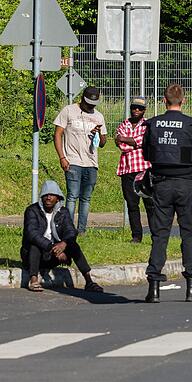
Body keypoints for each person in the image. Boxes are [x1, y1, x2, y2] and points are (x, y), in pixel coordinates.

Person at [142, 84, 192, 303]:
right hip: (185, 185)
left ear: (164, 100)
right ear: (184, 100)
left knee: (159, 234)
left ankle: (153, 288)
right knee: (190, 233)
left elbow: (146, 153)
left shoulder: (152, 125)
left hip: (160, 184)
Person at [21, 180, 102, 292]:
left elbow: (71, 231)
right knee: (35, 244)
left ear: (58, 198)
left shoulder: (63, 212)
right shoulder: (32, 210)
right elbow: (32, 233)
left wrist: (64, 244)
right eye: (46, 195)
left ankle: (89, 281)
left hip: (54, 255)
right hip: (33, 256)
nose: (48, 198)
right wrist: (52, 248)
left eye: (52, 195)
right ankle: (33, 280)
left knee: (74, 245)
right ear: (41, 197)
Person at [53, 86, 108, 234]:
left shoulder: (99, 116)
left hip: (91, 163)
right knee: (72, 196)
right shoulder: (69, 111)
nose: (91, 106)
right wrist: (62, 157)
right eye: (89, 103)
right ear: (83, 98)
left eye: (94, 104)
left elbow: (103, 143)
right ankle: (69, 230)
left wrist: (98, 133)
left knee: (86, 198)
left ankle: (82, 230)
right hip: (73, 161)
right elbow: (57, 134)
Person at [115, 96, 154, 243]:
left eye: (140, 108)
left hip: (144, 169)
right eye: (134, 107)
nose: (136, 110)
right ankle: (136, 236)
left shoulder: (148, 126)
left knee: (150, 204)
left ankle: (156, 234)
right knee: (132, 204)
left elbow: (144, 142)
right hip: (127, 169)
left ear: (144, 110)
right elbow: (121, 145)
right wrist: (133, 142)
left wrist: (126, 139)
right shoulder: (123, 124)